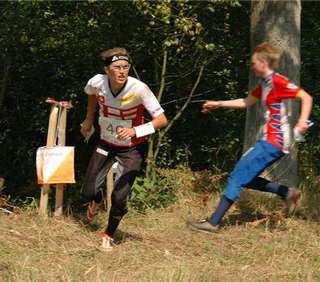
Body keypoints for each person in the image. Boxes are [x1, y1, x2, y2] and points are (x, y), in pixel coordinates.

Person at [189, 42, 313, 233]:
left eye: (254, 62)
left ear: (263, 63)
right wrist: (218, 103)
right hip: (269, 141)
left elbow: (306, 97)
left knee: (237, 177)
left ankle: (213, 222)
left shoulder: (278, 81)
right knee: (246, 178)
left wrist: (302, 122)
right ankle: (288, 193)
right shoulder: (264, 83)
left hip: (274, 141)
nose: (252, 65)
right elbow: (247, 102)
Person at [80, 47, 168, 248]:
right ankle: (96, 199)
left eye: (126, 67)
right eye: (117, 67)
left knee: (119, 196)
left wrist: (136, 131)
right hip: (105, 143)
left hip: (131, 149)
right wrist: (88, 119)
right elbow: (92, 95)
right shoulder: (97, 82)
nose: (122, 71)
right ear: (107, 69)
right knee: (87, 191)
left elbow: (162, 120)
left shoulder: (139, 88)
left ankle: (109, 233)